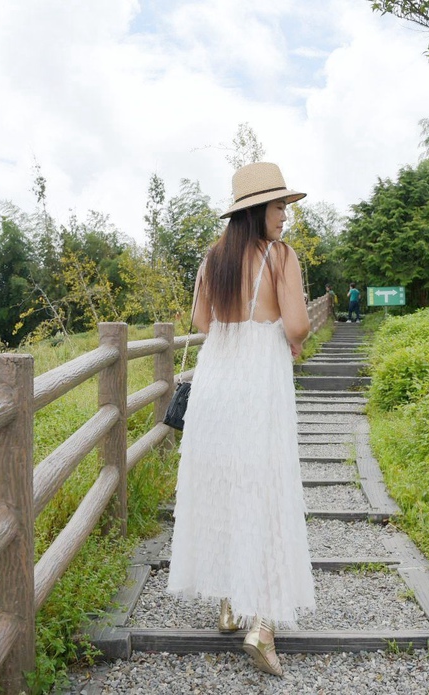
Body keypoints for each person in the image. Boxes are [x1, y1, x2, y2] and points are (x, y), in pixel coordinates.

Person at [166, 162, 315, 677]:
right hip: (259, 384)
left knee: (225, 485)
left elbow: (201, 321)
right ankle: (263, 625)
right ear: (256, 210)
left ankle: (229, 602)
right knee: (267, 491)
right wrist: (294, 339)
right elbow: (296, 322)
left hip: (216, 384)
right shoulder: (281, 257)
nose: (284, 218)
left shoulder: (214, 258)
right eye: (278, 207)